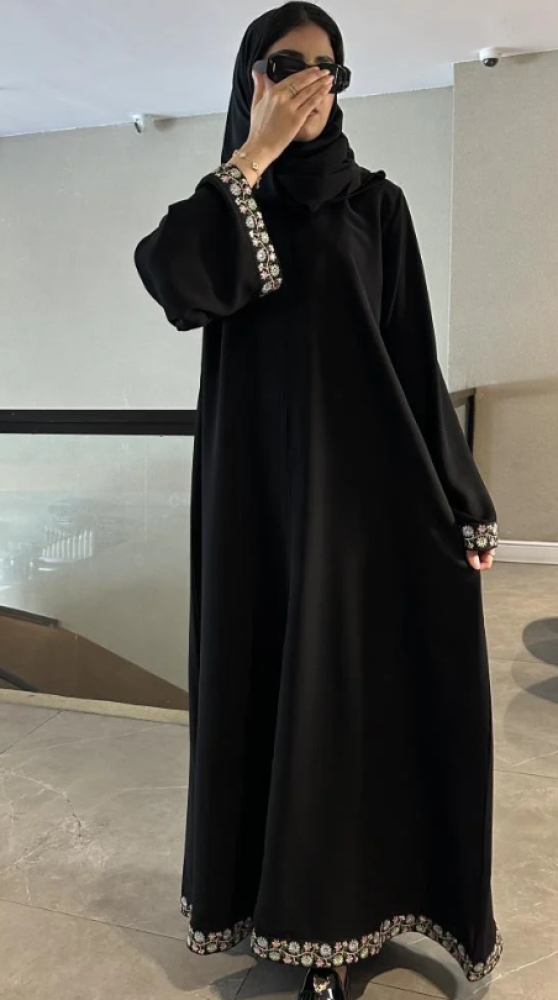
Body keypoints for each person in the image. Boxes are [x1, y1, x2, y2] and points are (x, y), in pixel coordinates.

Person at [134, 3, 502, 997]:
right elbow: (172, 281)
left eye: (326, 67)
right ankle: (276, 910)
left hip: (366, 500)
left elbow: (414, 360)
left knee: (350, 695)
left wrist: (462, 498)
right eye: (284, 64)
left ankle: (350, 917)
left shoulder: (376, 205)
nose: (308, 82)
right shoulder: (225, 204)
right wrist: (252, 156)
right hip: (256, 500)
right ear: (250, 79)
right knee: (269, 684)